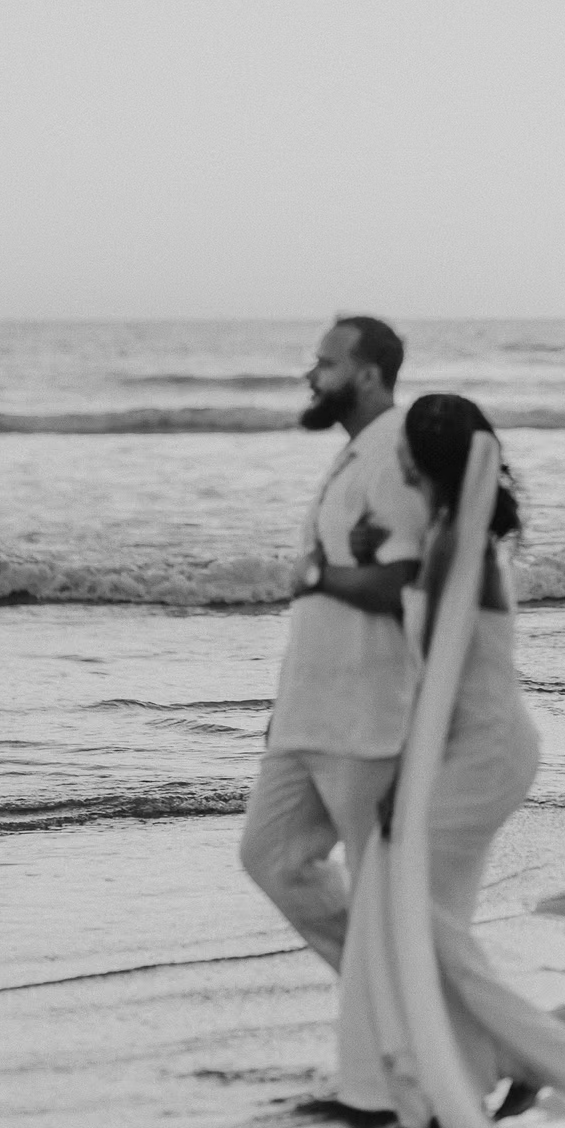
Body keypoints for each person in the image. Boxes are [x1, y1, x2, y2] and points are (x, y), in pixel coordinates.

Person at [337, 394, 565, 1128]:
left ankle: (550, 1055)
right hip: (480, 745)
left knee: (419, 915)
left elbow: (429, 671)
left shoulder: (452, 542)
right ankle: (477, 1064)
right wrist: (379, 561)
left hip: (484, 751)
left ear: (417, 460)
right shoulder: (454, 536)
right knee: (423, 915)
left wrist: (404, 777)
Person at [240, 316, 429, 973]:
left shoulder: (398, 453)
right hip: (309, 713)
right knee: (271, 855)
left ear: (368, 373)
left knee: (387, 892)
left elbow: (407, 581)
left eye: (324, 363)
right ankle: (391, 1003)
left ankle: (431, 1031)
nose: (310, 376)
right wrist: (284, 704)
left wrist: (319, 573)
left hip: (366, 717)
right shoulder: (354, 453)